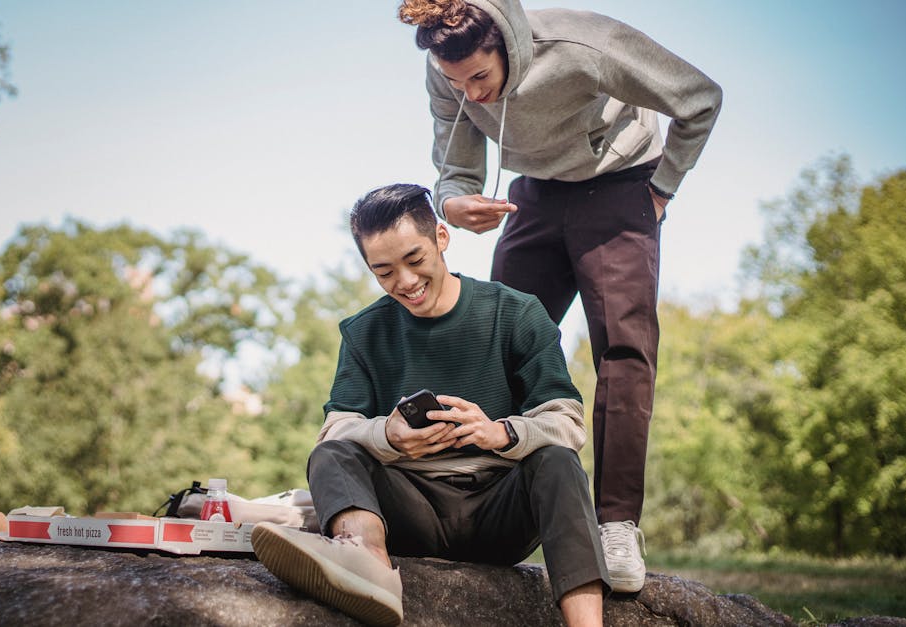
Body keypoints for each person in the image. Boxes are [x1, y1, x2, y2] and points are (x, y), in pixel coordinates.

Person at [397, 0, 723, 593]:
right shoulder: (446, 72)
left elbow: (700, 97)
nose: (469, 94)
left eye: (479, 78)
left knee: (623, 353)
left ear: (512, 49)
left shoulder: (582, 46)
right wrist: (454, 202)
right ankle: (475, 501)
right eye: (455, 82)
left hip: (623, 186)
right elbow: (456, 163)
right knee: (495, 344)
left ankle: (617, 524)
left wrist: (662, 191)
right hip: (536, 195)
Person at [252, 183, 607, 627]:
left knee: (557, 462)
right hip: (409, 514)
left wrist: (501, 433)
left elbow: (567, 423)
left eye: (414, 260)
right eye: (384, 272)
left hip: (500, 510)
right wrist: (389, 435)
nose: (405, 281)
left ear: (441, 237)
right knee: (331, 454)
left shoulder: (516, 313)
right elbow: (335, 432)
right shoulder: (364, 333)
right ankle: (368, 570)